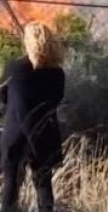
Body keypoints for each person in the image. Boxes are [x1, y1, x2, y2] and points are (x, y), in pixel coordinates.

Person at [0, 22, 65, 212]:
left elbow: (4, 97)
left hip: (15, 132)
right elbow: (56, 100)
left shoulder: (15, 67)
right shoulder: (57, 73)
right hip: (43, 133)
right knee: (44, 184)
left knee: (11, 184)